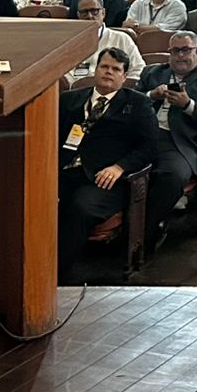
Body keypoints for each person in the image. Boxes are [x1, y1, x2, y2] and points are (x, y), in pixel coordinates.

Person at [55, 47, 159, 283]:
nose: (108, 72)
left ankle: (56, 275)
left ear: (124, 76)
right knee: (38, 199)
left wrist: (119, 167)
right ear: (96, 69)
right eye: (104, 67)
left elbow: (149, 148)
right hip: (65, 170)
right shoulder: (69, 99)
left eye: (115, 69)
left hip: (105, 179)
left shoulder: (138, 104)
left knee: (80, 207)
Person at [137, 31, 197, 247]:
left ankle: (144, 233)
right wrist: (151, 95)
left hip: (181, 142)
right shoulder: (152, 72)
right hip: (144, 135)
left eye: (186, 50)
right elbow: (130, 101)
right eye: (175, 51)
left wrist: (187, 105)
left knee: (171, 176)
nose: (180, 56)